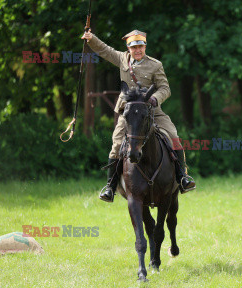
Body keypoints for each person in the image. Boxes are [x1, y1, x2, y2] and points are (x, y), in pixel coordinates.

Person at [81, 29, 196, 202]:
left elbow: (165, 88)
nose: (138, 50)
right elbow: (104, 49)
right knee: (117, 143)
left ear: (145, 46)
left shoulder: (155, 65)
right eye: (134, 48)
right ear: (128, 48)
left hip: (152, 112)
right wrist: (91, 39)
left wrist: (155, 99)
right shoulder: (122, 59)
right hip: (128, 114)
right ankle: (110, 187)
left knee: (173, 136)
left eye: (141, 47)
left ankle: (182, 177)